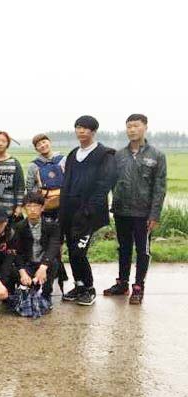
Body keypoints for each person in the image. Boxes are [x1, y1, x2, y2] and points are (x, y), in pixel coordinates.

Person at [104, 114, 167, 304]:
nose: (132, 130)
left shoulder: (156, 155)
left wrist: (154, 214)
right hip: (121, 211)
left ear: (145, 127)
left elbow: (160, 187)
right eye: (129, 126)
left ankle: (138, 287)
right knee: (123, 248)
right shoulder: (118, 155)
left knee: (143, 250)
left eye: (136, 126)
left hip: (143, 213)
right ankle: (122, 283)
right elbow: (110, 182)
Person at [60, 115, 117, 306]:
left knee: (79, 251)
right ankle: (79, 285)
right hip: (69, 211)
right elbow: (66, 181)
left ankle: (89, 288)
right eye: (78, 127)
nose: (81, 131)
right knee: (72, 250)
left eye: (85, 128)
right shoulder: (73, 154)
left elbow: (105, 184)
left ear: (93, 131)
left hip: (88, 213)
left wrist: (89, 210)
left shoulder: (105, 154)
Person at [15, 192, 62, 305]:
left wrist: (43, 267)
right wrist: (22, 272)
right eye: (29, 206)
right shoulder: (19, 227)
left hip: (45, 262)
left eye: (36, 206)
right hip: (28, 263)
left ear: (42, 208)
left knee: (54, 263)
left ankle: (46, 293)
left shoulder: (52, 226)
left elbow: (54, 246)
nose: (32, 209)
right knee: (18, 275)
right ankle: (24, 290)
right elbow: (17, 252)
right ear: (24, 209)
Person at [25, 134, 65, 219]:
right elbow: (29, 188)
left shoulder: (64, 160)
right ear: (36, 149)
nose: (42, 145)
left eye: (44, 142)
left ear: (50, 142)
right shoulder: (33, 165)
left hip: (64, 203)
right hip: (44, 205)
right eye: (39, 145)